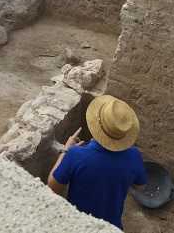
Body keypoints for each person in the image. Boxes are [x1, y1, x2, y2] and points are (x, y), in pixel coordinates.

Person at [47, 95, 146, 230]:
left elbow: (52, 187)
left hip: (78, 225)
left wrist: (65, 150)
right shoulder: (134, 155)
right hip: (110, 228)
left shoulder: (76, 155)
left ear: (95, 123)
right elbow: (140, 186)